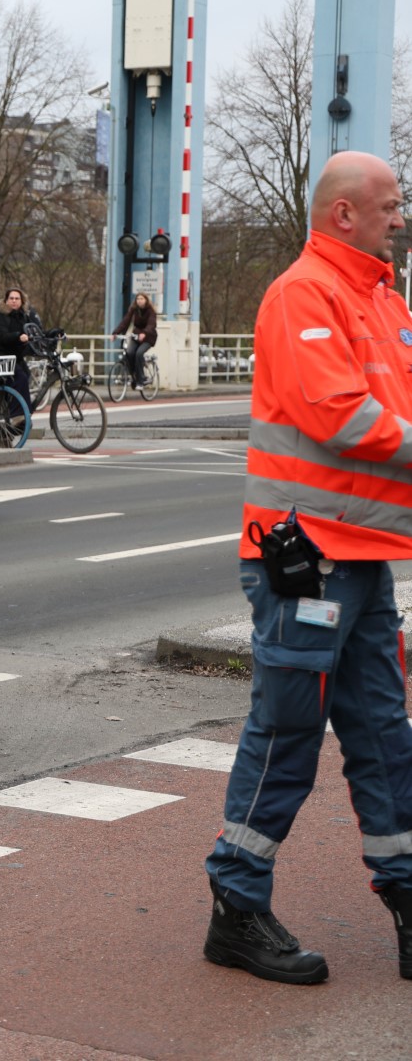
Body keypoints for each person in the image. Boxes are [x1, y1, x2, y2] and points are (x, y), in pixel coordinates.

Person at [202, 150, 412, 986]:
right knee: (289, 730)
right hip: (308, 562)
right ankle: (236, 906)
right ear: (344, 216)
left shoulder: (383, 299)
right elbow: (339, 416)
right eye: (390, 204)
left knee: (384, 733)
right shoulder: (303, 294)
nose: (401, 215)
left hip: (362, 558)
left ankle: (405, 890)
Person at [0, 287, 39, 401]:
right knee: (21, 378)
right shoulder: (1, 317)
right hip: (1, 357)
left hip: (14, 357)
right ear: (6, 301)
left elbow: (34, 331)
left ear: (22, 301)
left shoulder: (23, 317)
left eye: (17, 298)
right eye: (11, 298)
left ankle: (23, 410)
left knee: (27, 375)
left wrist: (53, 333)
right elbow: (2, 336)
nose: (14, 301)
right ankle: (18, 414)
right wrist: (18, 336)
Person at [111, 292, 158, 389]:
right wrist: (116, 332)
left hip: (148, 337)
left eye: (142, 299)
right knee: (129, 353)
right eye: (138, 299)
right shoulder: (134, 310)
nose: (139, 301)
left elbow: (151, 324)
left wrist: (144, 333)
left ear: (146, 300)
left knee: (139, 353)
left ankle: (141, 380)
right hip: (136, 336)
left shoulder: (151, 311)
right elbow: (125, 321)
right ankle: (134, 377)